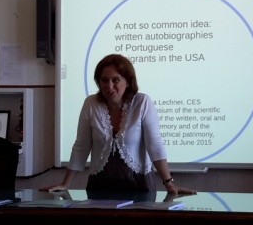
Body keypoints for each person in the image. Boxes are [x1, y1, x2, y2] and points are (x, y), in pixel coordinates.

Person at [42, 53, 195, 197]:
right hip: (100, 185)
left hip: (139, 185)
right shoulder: (91, 103)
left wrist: (169, 183)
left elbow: (155, 145)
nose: (109, 87)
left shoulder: (142, 103)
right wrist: (65, 183)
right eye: (104, 80)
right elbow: (81, 146)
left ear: (128, 82)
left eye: (115, 80)